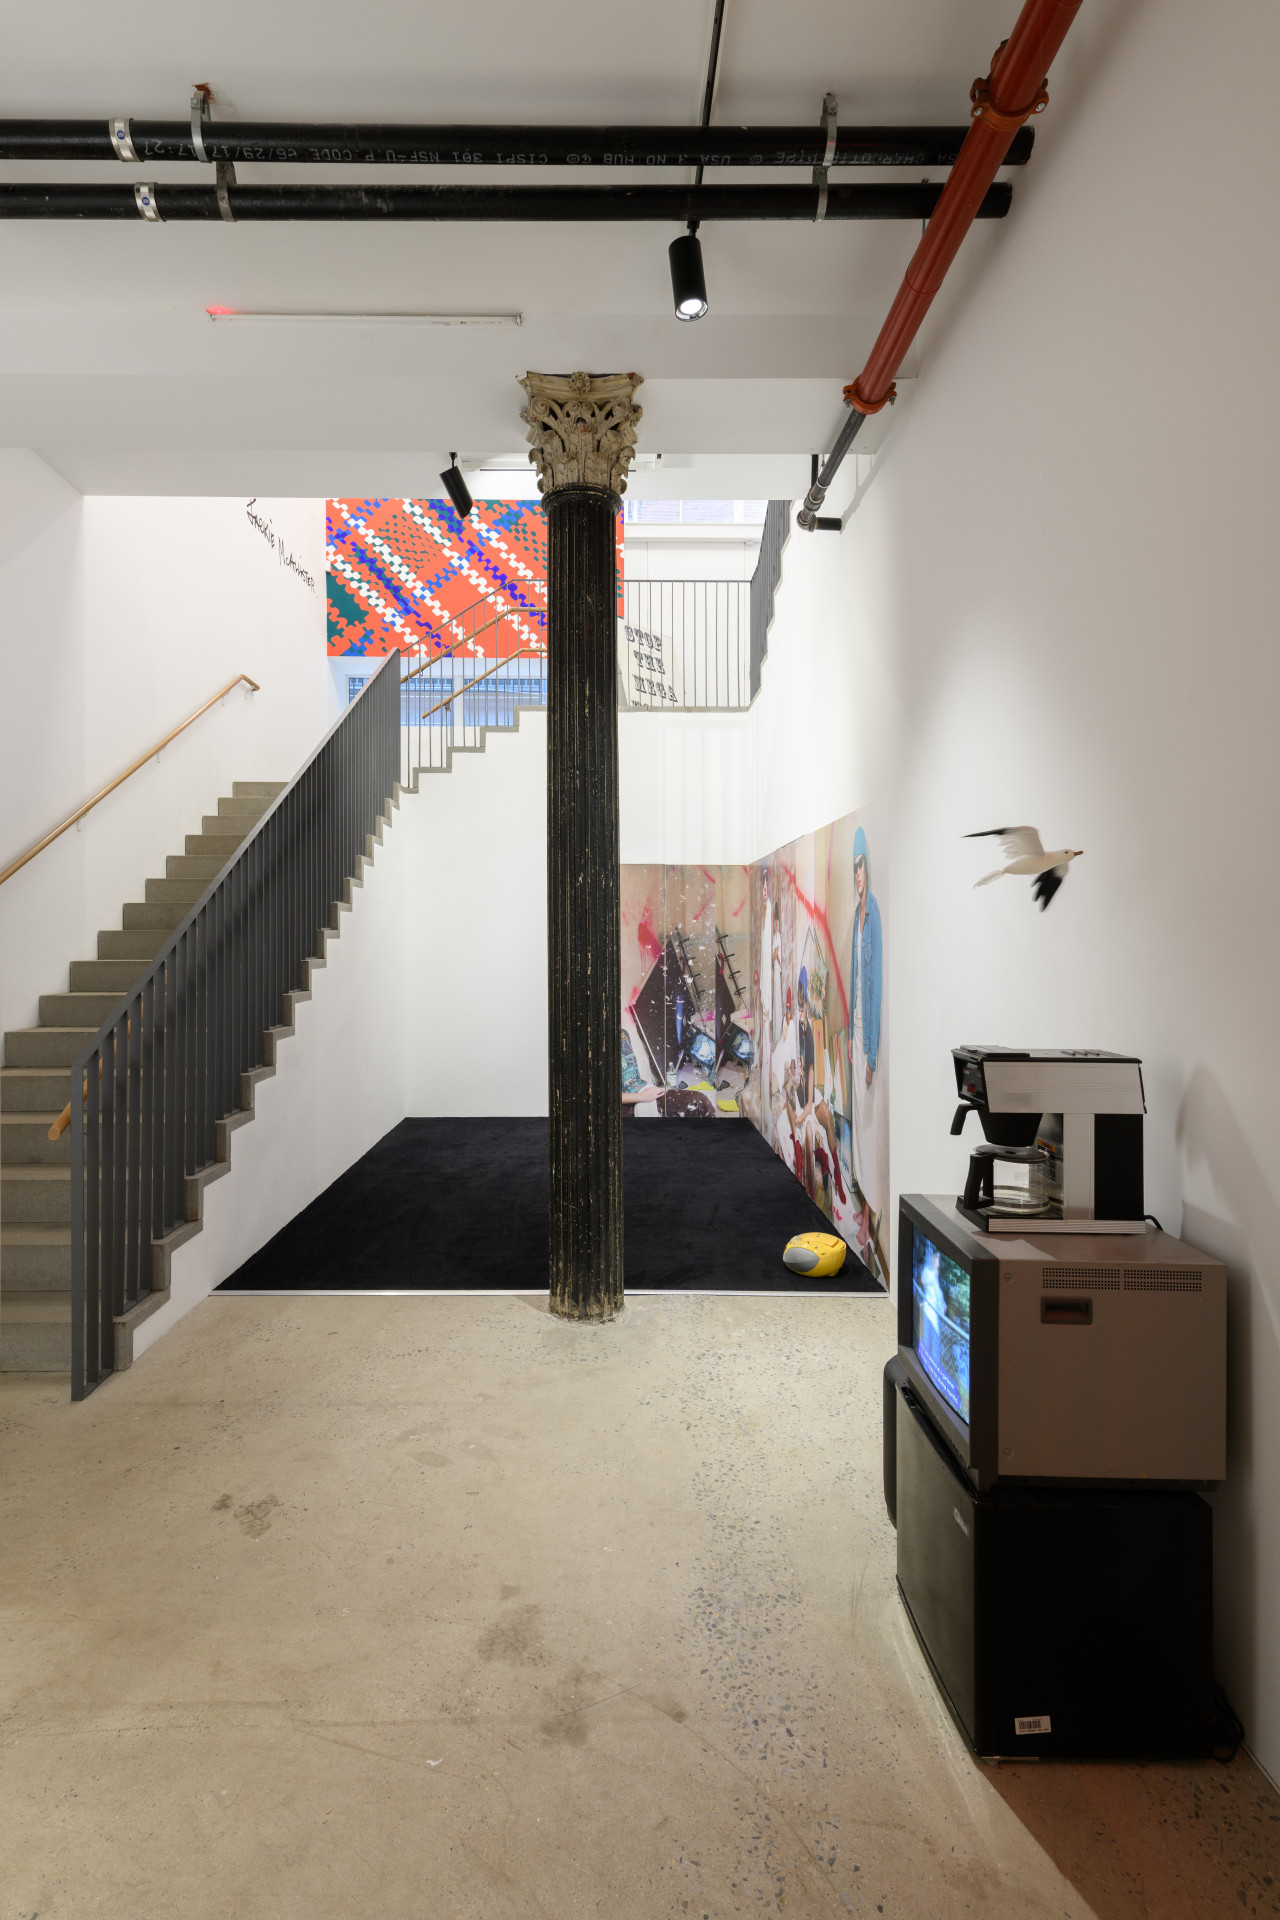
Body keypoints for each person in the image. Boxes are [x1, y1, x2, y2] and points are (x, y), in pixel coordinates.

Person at [848, 825, 883, 1257]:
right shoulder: (856, 914)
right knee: (858, 1124)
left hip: (866, 1034)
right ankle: (862, 1207)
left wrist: (871, 1048)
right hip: (854, 1030)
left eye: (861, 865)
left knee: (870, 1129)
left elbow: (873, 989)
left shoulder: (872, 913)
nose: (857, 873)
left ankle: (872, 1221)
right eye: (853, 865)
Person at [784, 966, 847, 1205]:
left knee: (827, 1120)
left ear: (807, 1008)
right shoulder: (793, 1034)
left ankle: (837, 1176)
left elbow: (809, 1080)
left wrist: (806, 1110)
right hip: (797, 1089)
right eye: (796, 1009)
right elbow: (793, 1073)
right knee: (788, 1101)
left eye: (802, 1009)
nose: (800, 1014)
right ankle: (800, 1162)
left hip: (809, 1094)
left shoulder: (808, 1035)